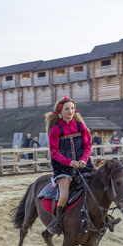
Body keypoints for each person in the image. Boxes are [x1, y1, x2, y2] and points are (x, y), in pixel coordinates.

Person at [45, 96, 93, 234]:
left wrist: (83, 159)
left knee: (98, 186)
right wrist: (69, 162)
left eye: (72, 108)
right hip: (63, 167)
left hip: (83, 165)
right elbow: (54, 152)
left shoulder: (80, 126)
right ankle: (58, 222)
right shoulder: (56, 129)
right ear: (61, 111)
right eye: (67, 109)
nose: (70, 111)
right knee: (64, 195)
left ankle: (104, 218)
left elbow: (88, 145)